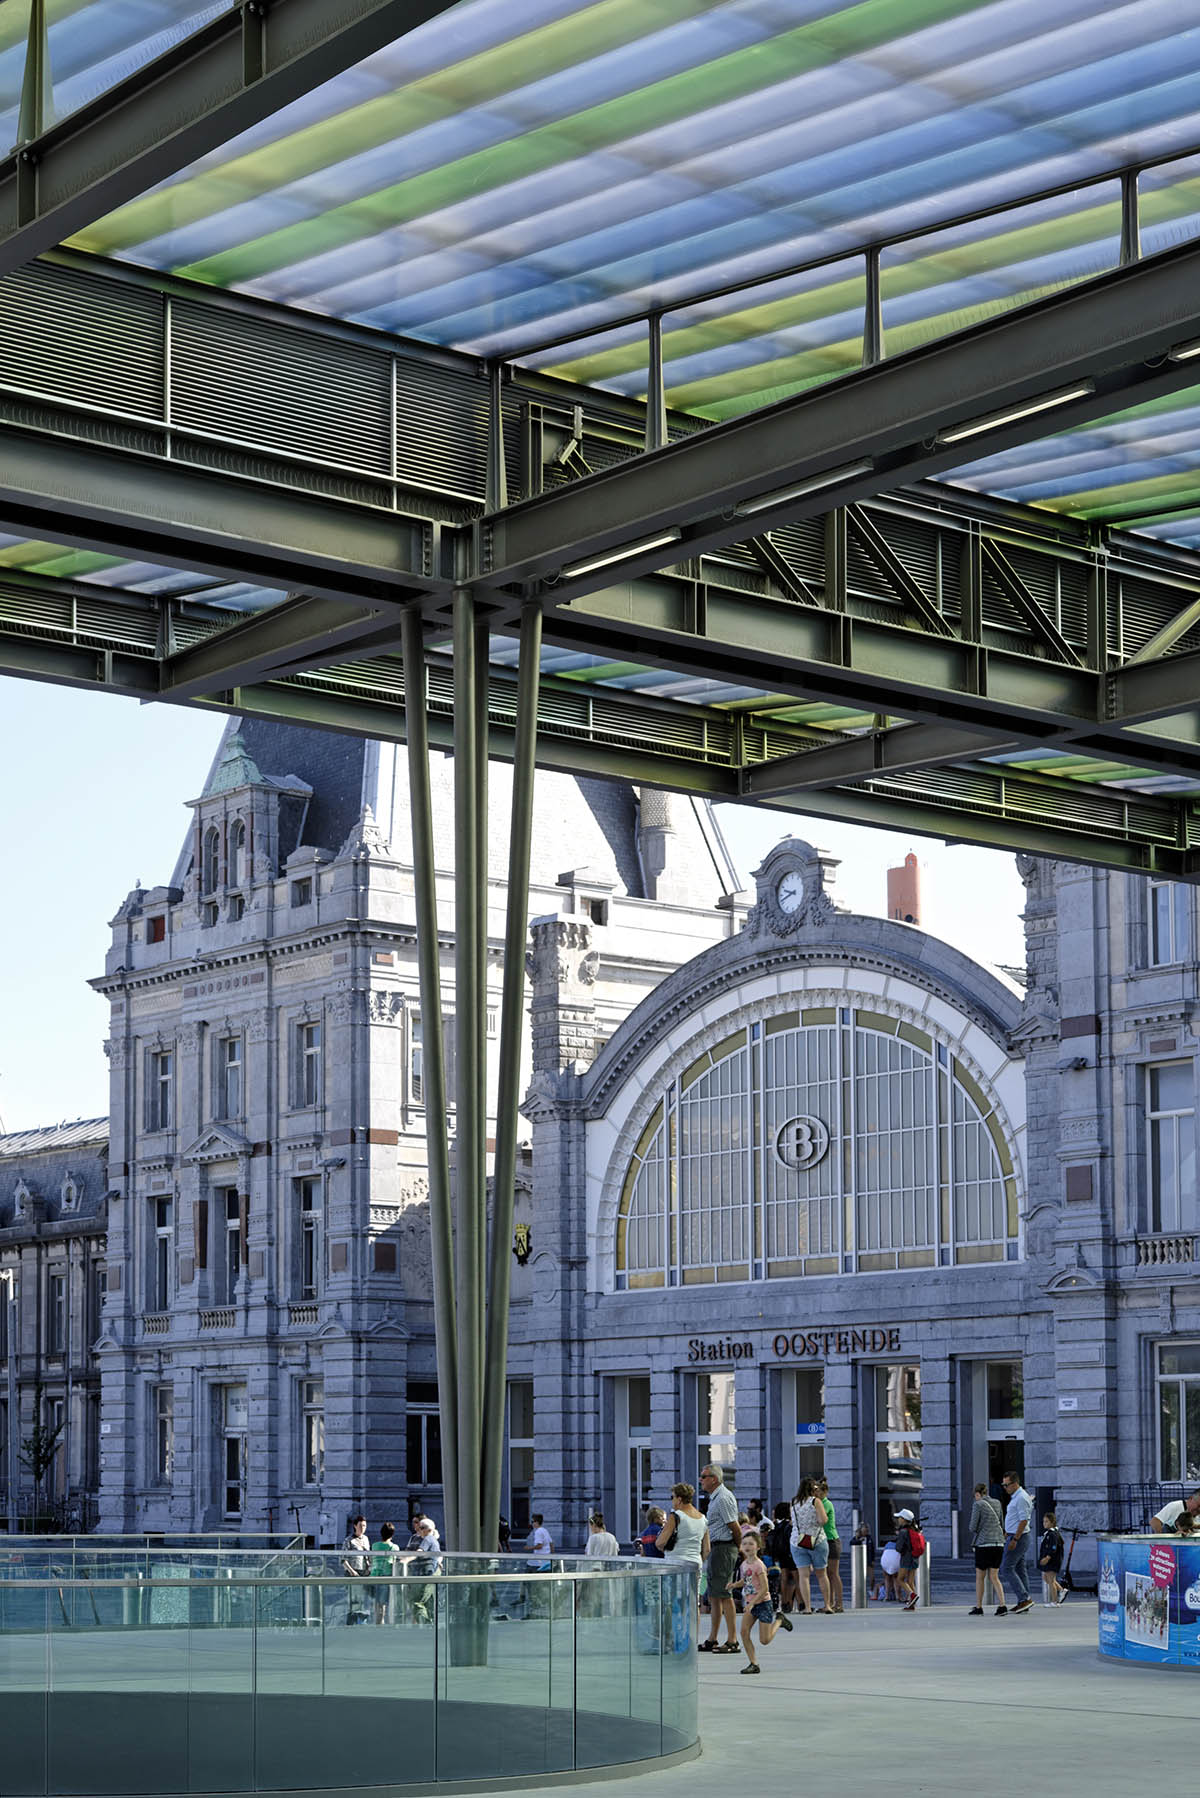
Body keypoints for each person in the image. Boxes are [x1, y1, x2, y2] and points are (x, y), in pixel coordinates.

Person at [698, 1464, 741, 1652]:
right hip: (717, 1549)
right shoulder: (715, 1498)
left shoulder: (723, 1497)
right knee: (715, 1595)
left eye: (704, 1476)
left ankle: (733, 1640)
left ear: (714, 1479)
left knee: (725, 1594)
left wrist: (737, 1550)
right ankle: (712, 1638)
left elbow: (735, 1527)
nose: (701, 1480)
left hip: (724, 1548)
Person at [737, 1530, 793, 1672]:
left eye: (751, 1543)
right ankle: (754, 1664)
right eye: (744, 1543)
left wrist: (752, 1603)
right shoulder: (744, 1564)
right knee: (744, 1632)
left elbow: (764, 1588)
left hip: (762, 1604)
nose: (747, 1546)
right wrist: (735, 1585)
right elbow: (747, 1580)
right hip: (752, 1604)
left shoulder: (759, 1565)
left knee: (765, 1640)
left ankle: (779, 1620)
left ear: (758, 1547)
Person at [789, 1476, 832, 1614]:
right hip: (817, 1540)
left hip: (798, 1541)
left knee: (803, 1575)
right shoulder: (816, 1501)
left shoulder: (793, 1502)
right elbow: (823, 1520)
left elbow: (794, 1521)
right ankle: (827, 1605)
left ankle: (807, 1607)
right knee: (821, 1574)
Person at [968, 1481, 1006, 1615]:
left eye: (975, 1496)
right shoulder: (997, 1503)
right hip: (998, 1543)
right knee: (994, 1577)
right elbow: (1001, 1523)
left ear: (978, 1494)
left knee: (980, 1577)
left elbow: (972, 1527)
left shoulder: (978, 1504)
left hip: (984, 1544)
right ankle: (1002, 1605)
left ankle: (979, 1607)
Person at [1000, 1471, 1035, 1615]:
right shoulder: (1016, 1497)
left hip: (1019, 1537)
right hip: (1014, 1535)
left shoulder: (1021, 1498)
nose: (1005, 1487)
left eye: (1006, 1485)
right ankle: (1024, 1601)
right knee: (1020, 1569)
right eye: (1003, 1485)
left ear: (1015, 1484)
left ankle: (1024, 1598)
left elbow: (1024, 1520)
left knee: (1006, 1568)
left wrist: (1015, 1539)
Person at [341, 1513, 371, 1624]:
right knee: (353, 1600)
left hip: (364, 1573)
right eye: (360, 1526)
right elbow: (343, 1559)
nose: (362, 1528)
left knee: (363, 1599)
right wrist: (351, 1571)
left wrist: (369, 1567)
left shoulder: (366, 1539)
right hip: (353, 1572)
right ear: (355, 1526)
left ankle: (362, 1622)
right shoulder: (349, 1540)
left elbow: (368, 1555)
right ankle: (350, 1622)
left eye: (364, 1526)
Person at [818, 1478, 843, 1612]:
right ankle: (830, 1603)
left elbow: (820, 1519)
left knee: (833, 1573)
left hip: (831, 1540)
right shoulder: (819, 1503)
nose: (816, 1493)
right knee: (827, 1574)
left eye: (818, 1491)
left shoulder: (826, 1504)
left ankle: (839, 1603)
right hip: (825, 1540)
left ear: (825, 1492)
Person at [769, 1501, 799, 1612]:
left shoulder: (775, 1525)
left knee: (784, 1578)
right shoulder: (789, 1525)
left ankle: (784, 1602)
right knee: (797, 1579)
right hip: (790, 1553)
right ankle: (801, 1602)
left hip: (780, 1554)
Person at [369, 1520, 400, 1625]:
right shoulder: (394, 1547)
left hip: (373, 1575)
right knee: (383, 1603)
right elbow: (395, 1561)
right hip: (386, 1576)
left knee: (375, 1603)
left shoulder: (374, 1545)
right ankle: (380, 1623)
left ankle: (376, 1622)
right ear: (392, 1534)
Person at [894, 1509, 920, 1611]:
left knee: (900, 1579)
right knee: (910, 1581)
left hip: (906, 1558)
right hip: (915, 1558)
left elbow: (898, 1548)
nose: (898, 1519)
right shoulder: (915, 1530)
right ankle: (911, 1604)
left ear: (904, 1520)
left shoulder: (903, 1532)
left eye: (900, 1518)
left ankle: (912, 1595)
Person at [1038, 1510, 1066, 1606]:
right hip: (1050, 1559)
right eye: (1043, 1521)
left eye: (1046, 1521)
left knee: (1050, 1580)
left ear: (1052, 1522)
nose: (1044, 1523)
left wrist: (1047, 1558)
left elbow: (1053, 1547)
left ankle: (1055, 1601)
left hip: (1053, 1560)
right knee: (1046, 1577)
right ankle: (1061, 1590)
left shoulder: (1053, 1534)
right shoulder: (1049, 1533)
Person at [850, 1520, 875, 1599]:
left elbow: (873, 1549)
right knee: (860, 1577)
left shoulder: (869, 1538)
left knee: (872, 1577)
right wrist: (858, 1540)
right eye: (864, 1529)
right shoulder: (857, 1537)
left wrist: (873, 1559)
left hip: (868, 1560)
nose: (866, 1531)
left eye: (867, 1529)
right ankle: (859, 1592)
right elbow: (852, 1542)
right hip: (859, 1560)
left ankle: (871, 1590)